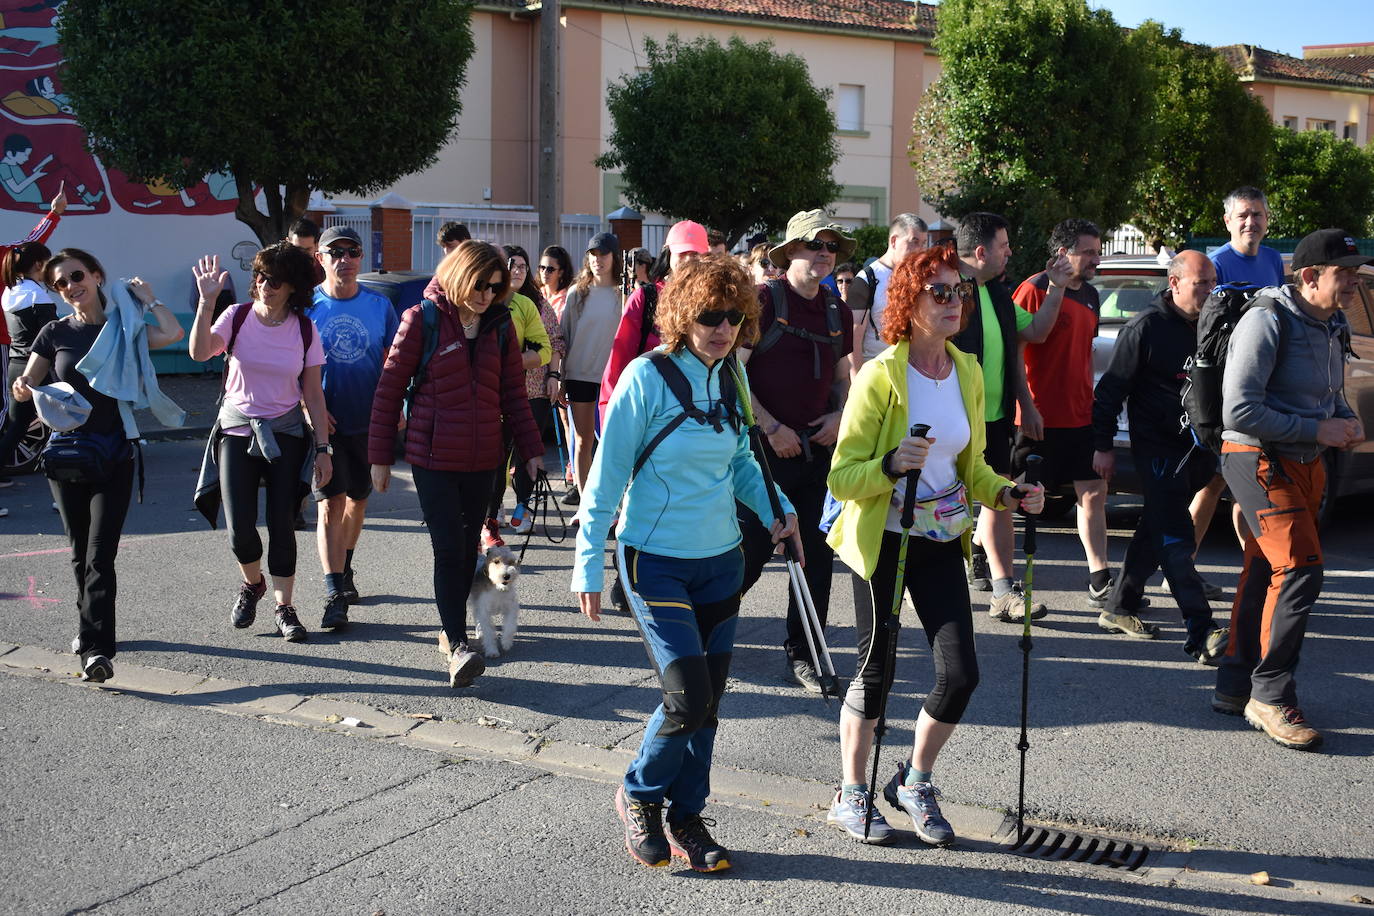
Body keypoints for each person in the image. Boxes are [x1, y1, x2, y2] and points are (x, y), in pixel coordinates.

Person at [571, 254, 799, 873]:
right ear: (680, 315)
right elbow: (605, 478)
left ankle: (687, 815)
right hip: (655, 560)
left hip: (721, 560)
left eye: (733, 317)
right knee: (686, 695)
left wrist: (779, 509)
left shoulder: (731, 378)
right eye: (709, 317)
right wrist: (588, 564)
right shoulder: (647, 377)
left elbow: (744, 465)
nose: (723, 329)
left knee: (711, 701)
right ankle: (639, 795)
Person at [824, 244, 1043, 846]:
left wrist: (1007, 494)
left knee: (961, 673)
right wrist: (891, 465)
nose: (953, 302)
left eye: (959, 292)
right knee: (877, 672)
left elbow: (972, 468)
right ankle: (851, 794)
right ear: (909, 303)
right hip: (886, 543)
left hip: (944, 539)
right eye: (938, 292)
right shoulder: (880, 376)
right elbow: (842, 477)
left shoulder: (966, 371)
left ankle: (913, 781)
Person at [1213, 229, 1367, 750]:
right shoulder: (1267, 319)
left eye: (1354, 271)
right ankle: (1271, 695)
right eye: (1343, 273)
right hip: (1255, 458)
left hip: (1305, 463)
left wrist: (1343, 420)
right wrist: (1316, 430)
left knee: (1266, 566)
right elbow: (1240, 410)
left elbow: (1329, 394)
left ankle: (1236, 684)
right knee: (1300, 569)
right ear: (1308, 276)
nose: (1353, 281)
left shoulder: (1333, 323)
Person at [368, 241, 543, 689]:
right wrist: (380, 456)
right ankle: (459, 646)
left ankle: (452, 633)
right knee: (448, 549)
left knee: (468, 549)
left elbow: (512, 395)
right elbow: (389, 389)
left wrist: (531, 449)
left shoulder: (501, 327)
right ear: (460, 275)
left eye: (495, 286)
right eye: (480, 284)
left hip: (484, 459)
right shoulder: (421, 320)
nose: (486, 294)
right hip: (432, 459)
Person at [12, 249, 184, 682]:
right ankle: (90, 624)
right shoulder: (54, 332)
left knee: (99, 554)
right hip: (68, 454)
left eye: (76, 276)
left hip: (116, 453)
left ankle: (96, 649)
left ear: (96, 275)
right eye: (60, 283)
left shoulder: (125, 327)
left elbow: (173, 333)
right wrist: (21, 388)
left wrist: (150, 299)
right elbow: (29, 381)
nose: (70, 286)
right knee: (78, 552)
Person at [189, 243, 332, 644]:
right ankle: (252, 584)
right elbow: (200, 352)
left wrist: (323, 449)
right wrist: (207, 302)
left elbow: (314, 395)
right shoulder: (236, 317)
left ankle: (285, 607)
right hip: (236, 430)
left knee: (283, 524)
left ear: (293, 287)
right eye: (262, 276)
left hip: (286, 432)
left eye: (276, 279)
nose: (266, 284)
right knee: (240, 528)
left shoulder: (305, 330)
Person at [737, 209, 855, 694]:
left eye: (830, 246)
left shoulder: (837, 309)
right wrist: (770, 427)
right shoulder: (763, 300)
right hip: (763, 456)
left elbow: (845, 378)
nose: (824, 254)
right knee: (751, 549)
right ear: (790, 253)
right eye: (815, 245)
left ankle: (805, 653)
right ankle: (701, 631)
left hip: (816, 454)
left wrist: (840, 417)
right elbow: (735, 371)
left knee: (816, 556)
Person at [1090, 251, 1228, 660]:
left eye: (1212, 282)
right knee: (1175, 535)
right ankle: (1202, 630)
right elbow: (1110, 392)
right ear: (1175, 283)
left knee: (1155, 525)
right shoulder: (1146, 327)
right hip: (1157, 449)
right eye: (1200, 283)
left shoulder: (1211, 324)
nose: (1209, 290)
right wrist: (1101, 447)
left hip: (1197, 449)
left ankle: (1119, 606)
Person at [953, 212, 1070, 622]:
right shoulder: (947, 290)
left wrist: (1055, 287)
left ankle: (1003, 592)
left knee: (999, 500)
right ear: (981, 251)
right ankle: (931, 581)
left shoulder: (999, 292)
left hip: (996, 418)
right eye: (1004, 245)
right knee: (946, 502)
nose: (1010, 252)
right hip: (953, 418)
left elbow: (1034, 334)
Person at [1012, 218, 1114, 607]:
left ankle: (1099, 576)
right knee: (1008, 494)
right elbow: (1016, 352)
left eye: (1097, 250)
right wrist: (1026, 406)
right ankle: (984, 556)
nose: (1095, 258)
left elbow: (1083, 354)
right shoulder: (1034, 288)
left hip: (1080, 417)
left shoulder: (1090, 293)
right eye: (1088, 251)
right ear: (1062, 253)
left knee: (1093, 493)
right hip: (1037, 417)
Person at [305, 226, 399, 630]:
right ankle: (334, 592)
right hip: (325, 426)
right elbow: (287, 366)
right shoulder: (306, 307)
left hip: (370, 421)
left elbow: (398, 364)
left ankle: (345, 568)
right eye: (335, 252)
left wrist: (401, 407)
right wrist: (308, 409)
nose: (344, 259)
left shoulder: (380, 307)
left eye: (352, 251)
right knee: (330, 503)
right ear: (320, 259)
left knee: (358, 501)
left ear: (362, 258)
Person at [1191, 186, 1286, 559]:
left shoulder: (1274, 260)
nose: (1251, 222)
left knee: (1252, 481)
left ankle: (1257, 568)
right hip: (1224, 390)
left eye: (1257, 214)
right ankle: (1180, 570)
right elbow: (1201, 329)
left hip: (1264, 386)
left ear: (1266, 220)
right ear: (1228, 221)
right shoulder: (1215, 263)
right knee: (1213, 482)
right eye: (1243, 215)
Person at [475, 244, 552, 545]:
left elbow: (545, 349)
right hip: (472, 398)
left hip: (509, 396)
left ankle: (491, 525)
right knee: (481, 464)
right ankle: (480, 523)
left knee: (503, 462)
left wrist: (507, 364)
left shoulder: (523, 305)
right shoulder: (470, 301)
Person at [0, 182, 64, 487]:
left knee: (16, 423)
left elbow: (28, 244)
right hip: (36, 365)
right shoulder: (39, 296)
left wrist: (53, 214)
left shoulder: (11, 291)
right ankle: (70, 476)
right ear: (40, 265)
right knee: (71, 416)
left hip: (15, 359)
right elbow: (51, 334)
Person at [558, 232, 622, 497]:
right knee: (583, 440)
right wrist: (559, 376)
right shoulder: (577, 293)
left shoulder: (625, 292)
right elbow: (563, 337)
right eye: (593, 254)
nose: (598, 260)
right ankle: (585, 501)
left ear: (614, 257)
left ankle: (612, 503)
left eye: (603, 254)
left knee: (612, 444)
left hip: (614, 378)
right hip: (579, 375)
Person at [848, 214, 928, 379]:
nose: (920, 251)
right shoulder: (866, 280)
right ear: (893, 241)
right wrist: (856, 382)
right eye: (914, 242)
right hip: (877, 375)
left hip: (913, 374)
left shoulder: (919, 277)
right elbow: (853, 339)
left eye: (923, 244)